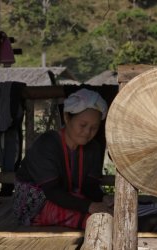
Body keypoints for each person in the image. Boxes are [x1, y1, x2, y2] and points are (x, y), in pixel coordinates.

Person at [13, 88, 112, 229]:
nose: (87, 132)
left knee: (110, 211)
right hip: (37, 203)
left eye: (94, 128)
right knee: (98, 220)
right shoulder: (46, 144)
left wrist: (103, 198)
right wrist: (90, 206)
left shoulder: (94, 148)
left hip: (68, 197)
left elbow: (90, 187)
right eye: (83, 125)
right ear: (67, 117)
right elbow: (52, 191)